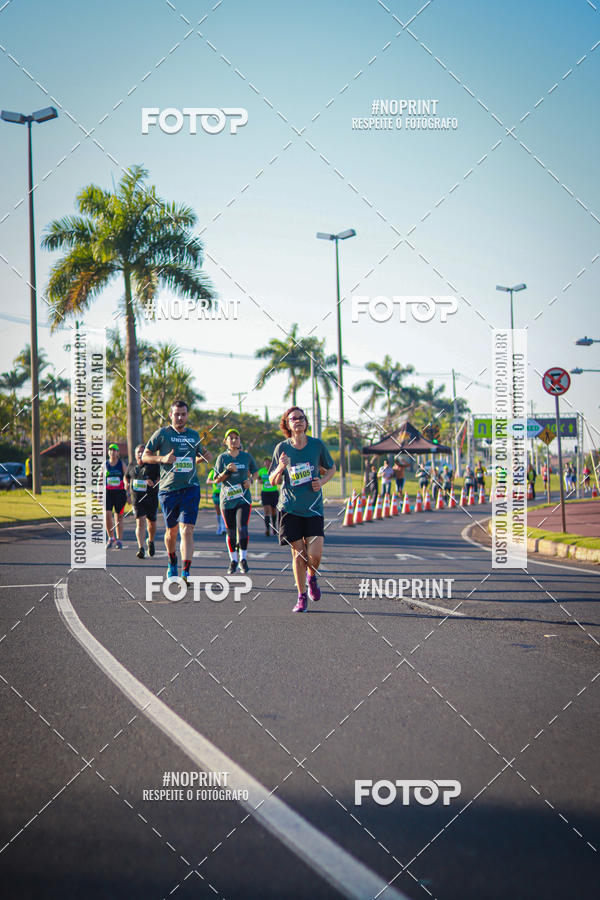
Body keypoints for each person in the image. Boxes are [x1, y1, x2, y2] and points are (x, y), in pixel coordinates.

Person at [269, 406, 335, 613]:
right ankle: (301, 596)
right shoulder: (282, 448)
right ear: (287, 425)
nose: (297, 421)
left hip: (313, 507)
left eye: (301, 418)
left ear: (306, 423)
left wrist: (322, 482)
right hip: (290, 508)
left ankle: (311, 577)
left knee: (314, 555)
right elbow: (272, 481)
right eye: (293, 419)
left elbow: (331, 468)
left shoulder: (317, 446)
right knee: (298, 555)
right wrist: (280, 467)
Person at [142, 399, 205, 584]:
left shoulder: (194, 436)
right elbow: (146, 455)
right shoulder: (162, 434)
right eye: (176, 414)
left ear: (187, 416)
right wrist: (163, 458)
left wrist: (205, 456)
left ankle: (186, 572)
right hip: (168, 490)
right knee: (172, 532)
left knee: (187, 530)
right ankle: (172, 561)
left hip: (191, 488)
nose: (179, 417)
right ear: (170, 415)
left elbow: (199, 456)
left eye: (183, 414)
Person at [213, 428, 258, 573]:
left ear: (240, 441)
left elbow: (256, 473)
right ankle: (233, 560)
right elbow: (216, 480)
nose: (234, 440)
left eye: (236, 438)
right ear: (225, 442)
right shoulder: (222, 458)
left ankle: (243, 559)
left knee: (242, 529)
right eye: (230, 438)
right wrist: (227, 471)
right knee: (231, 532)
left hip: (243, 499)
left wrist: (250, 480)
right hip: (227, 501)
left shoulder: (246, 457)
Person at [124, 444, 160, 558]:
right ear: (135, 454)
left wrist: (153, 483)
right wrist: (126, 484)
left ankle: (151, 541)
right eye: (138, 452)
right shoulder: (132, 465)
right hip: (137, 499)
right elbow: (126, 477)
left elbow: (160, 478)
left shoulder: (153, 465)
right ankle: (141, 548)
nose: (140, 454)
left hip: (151, 498)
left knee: (151, 523)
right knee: (140, 522)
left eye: (142, 452)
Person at [105, 442, 126, 550]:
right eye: (111, 450)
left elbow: (126, 478)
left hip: (119, 493)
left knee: (118, 517)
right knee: (108, 515)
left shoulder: (121, 464)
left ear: (118, 453)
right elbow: (100, 479)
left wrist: (128, 491)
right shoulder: (105, 464)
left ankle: (119, 540)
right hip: (108, 493)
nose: (112, 452)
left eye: (115, 450)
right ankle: (110, 537)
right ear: (108, 452)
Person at [256, 456, 279, 536]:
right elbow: (258, 479)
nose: (266, 463)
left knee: (273, 511)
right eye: (265, 462)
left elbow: (280, 480)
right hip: (265, 493)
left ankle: (274, 527)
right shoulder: (261, 471)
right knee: (266, 511)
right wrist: (260, 481)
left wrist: (276, 480)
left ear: (271, 462)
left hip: (274, 492)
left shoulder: (274, 470)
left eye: (268, 462)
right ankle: (267, 529)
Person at [207, 466, 225, 534]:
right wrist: (215, 481)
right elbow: (208, 481)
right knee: (218, 510)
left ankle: (224, 527)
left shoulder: (225, 472)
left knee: (223, 510)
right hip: (216, 493)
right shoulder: (212, 472)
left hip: (223, 493)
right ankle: (220, 526)